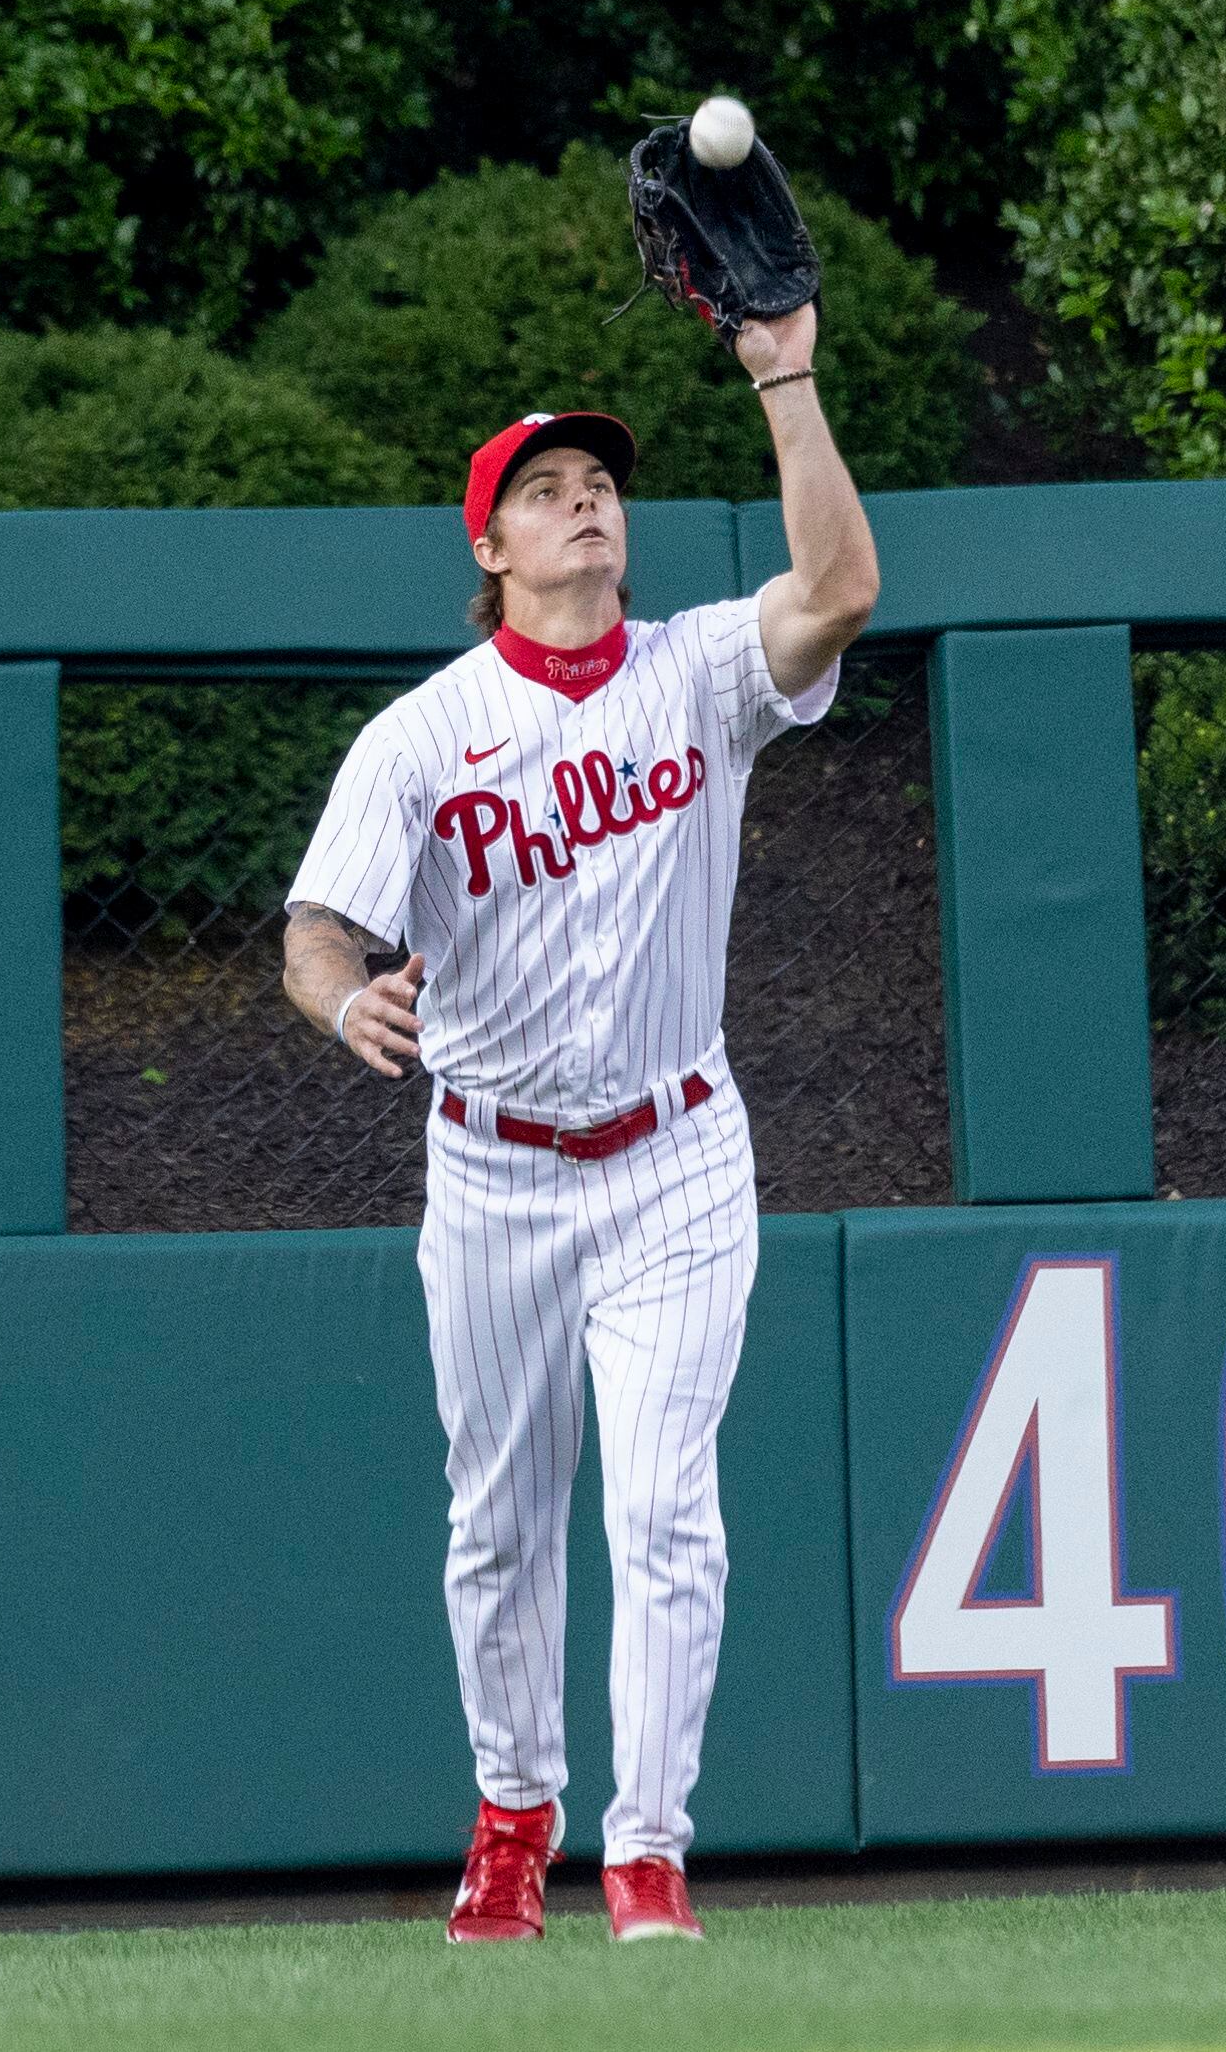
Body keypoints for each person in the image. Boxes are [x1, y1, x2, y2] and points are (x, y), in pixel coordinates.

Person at [280, 304, 875, 1942]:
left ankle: (649, 1852)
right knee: (501, 1519)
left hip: (680, 1151)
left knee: (666, 1504)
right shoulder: (421, 736)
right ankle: (511, 1811)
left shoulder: (694, 672)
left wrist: (784, 376)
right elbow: (316, 929)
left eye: (598, 482)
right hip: (491, 1172)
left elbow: (839, 590)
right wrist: (343, 1001)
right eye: (545, 488)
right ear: (492, 540)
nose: (585, 502)